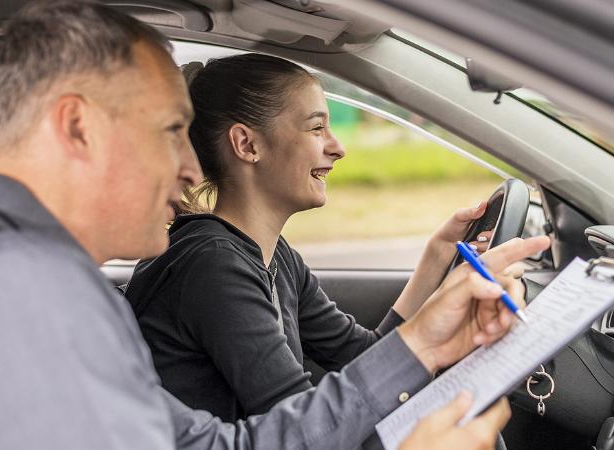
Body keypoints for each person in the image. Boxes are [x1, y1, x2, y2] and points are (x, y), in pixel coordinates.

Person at [0, 1, 550, 450]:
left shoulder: (63, 296)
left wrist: (424, 341)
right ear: (78, 130)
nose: (189, 171)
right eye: (168, 134)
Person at [124, 53, 499, 422]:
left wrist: (436, 258)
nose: (338, 147)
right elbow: (306, 424)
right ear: (247, 145)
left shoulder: (276, 257)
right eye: (317, 128)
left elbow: (364, 357)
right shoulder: (213, 264)